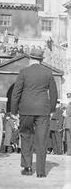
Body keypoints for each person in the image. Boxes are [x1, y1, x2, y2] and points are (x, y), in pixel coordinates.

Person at [11, 48, 57, 177]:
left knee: (26, 137)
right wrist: (52, 109)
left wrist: (14, 110)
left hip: (26, 109)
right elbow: (54, 94)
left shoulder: (23, 72)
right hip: (43, 110)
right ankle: (41, 172)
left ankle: (27, 168)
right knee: (42, 140)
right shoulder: (48, 73)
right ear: (41, 60)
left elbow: (16, 93)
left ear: (30, 58)